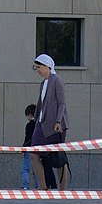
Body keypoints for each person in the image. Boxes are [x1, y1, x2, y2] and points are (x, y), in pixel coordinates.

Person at [32, 53, 69, 190]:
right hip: (42, 124)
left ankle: (62, 188)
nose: (38, 70)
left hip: (55, 125)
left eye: (39, 67)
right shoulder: (43, 83)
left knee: (58, 157)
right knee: (34, 154)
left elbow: (62, 103)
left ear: (47, 66)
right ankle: (42, 186)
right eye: (36, 68)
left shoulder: (57, 80)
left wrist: (58, 121)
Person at [19, 104, 37, 190]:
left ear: (30, 115)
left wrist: (23, 150)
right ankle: (38, 185)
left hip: (29, 149)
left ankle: (25, 186)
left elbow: (27, 138)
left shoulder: (29, 125)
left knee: (25, 169)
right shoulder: (39, 125)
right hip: (38, 150)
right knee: (36, 169)